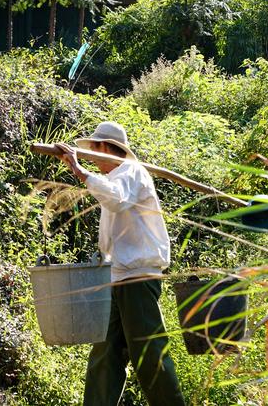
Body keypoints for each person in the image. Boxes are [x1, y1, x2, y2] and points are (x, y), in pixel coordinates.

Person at [55, 121, 186, 406]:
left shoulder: (132, 172)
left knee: (149, 352)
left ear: (105, 148)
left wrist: (80, 170)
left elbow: (116, 200)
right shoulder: (115, 177)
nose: (91, 156)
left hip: (137, 277)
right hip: (116, 277)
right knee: (105, 353)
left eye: (94, 150)